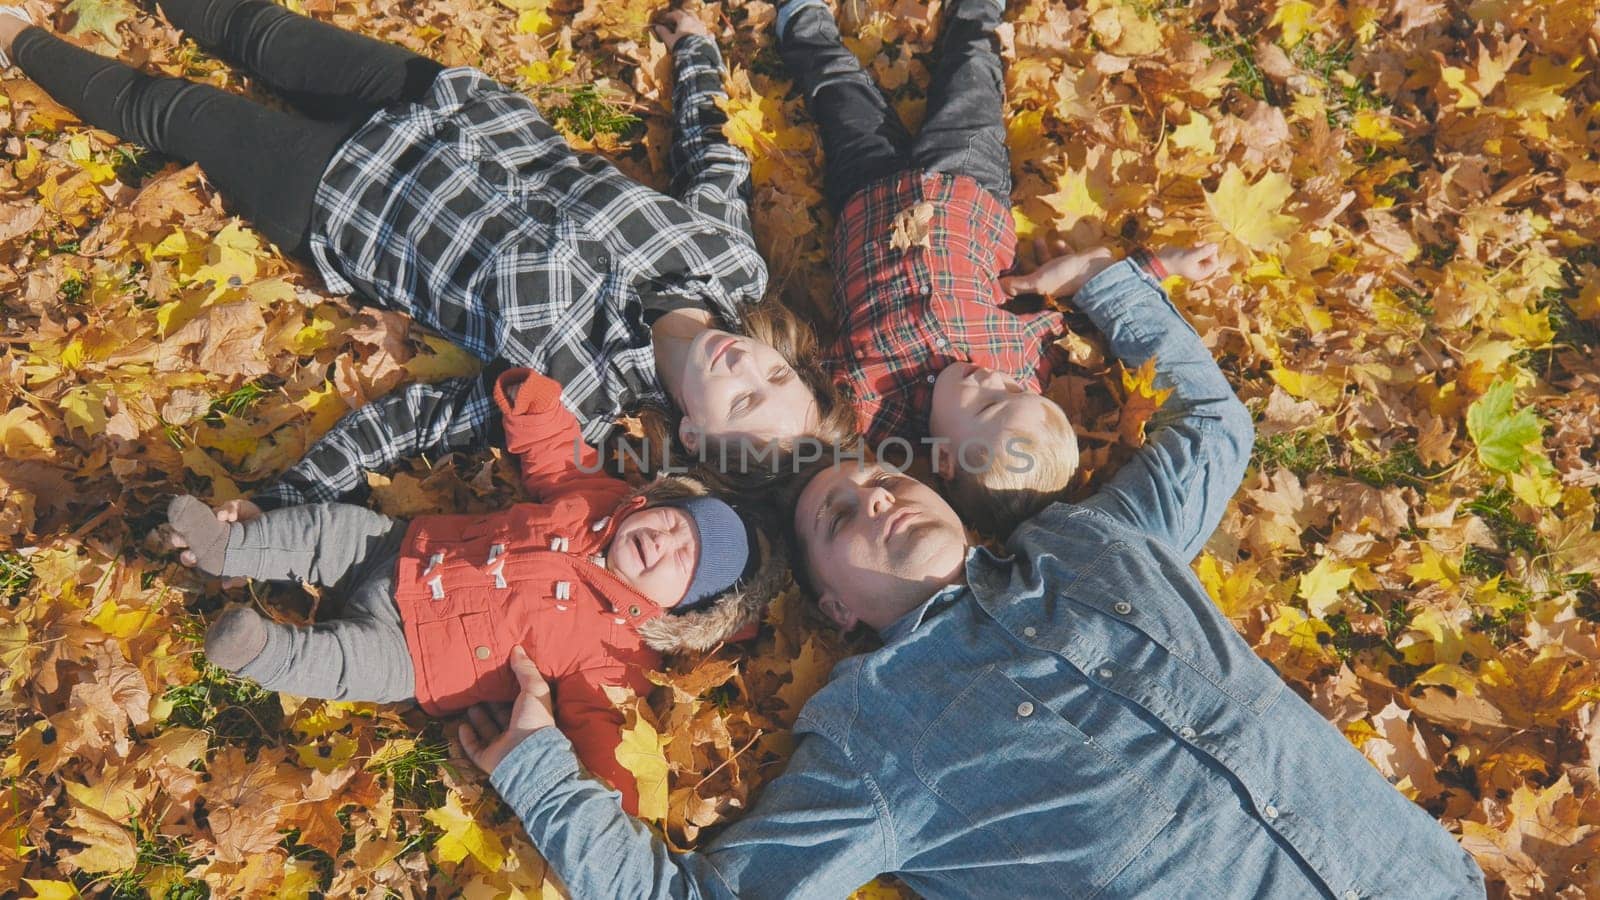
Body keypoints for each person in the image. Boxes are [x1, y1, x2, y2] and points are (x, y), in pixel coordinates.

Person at [453, 236, 1487, 897]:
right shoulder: (872, 744)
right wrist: (541, 776)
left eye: (876, 482)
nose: (876, 494)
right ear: (834, 604)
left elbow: (1214, 427)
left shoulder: (1094, 540)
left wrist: (1110, 286)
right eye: (834, 515)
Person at [0, 0, 852, 512]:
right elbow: (713, 161)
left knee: (172, 111)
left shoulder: (574, 403)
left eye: (744, 400)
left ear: (699, 437)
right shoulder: (730, 266)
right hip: (440, 105)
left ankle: (19, 40)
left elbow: (414, 424)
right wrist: (697, 49)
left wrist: (285, 501)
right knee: (253, 27)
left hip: (343, 199)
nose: (751, 368)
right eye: (778, 377)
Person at [162, 367, 788, 816]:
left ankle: (261, 651)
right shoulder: (598, 500)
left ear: (675, 607)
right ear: (653, 503)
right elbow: (557, 456)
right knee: (331, 530)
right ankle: (231, 549)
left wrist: (616, 800)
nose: (667, 543)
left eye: (684, 562)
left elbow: (598, 722)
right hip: (407, 549)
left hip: (418, 657)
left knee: (344, 665)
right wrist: (536, 404)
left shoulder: (619, 652)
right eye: (677, 525)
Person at [773, 0, 1213, 536]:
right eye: (1012, 393)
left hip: (867, 200)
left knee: (839, 93)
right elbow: (1093, 303)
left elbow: (799, 423)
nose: (991, 382)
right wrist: (1161, 265)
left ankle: (801, 21)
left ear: (946, 462)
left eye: (984, 408)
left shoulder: (870, 407)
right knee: (971, 83)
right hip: (968, 189)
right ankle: (976, 15)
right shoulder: (1025, 361)